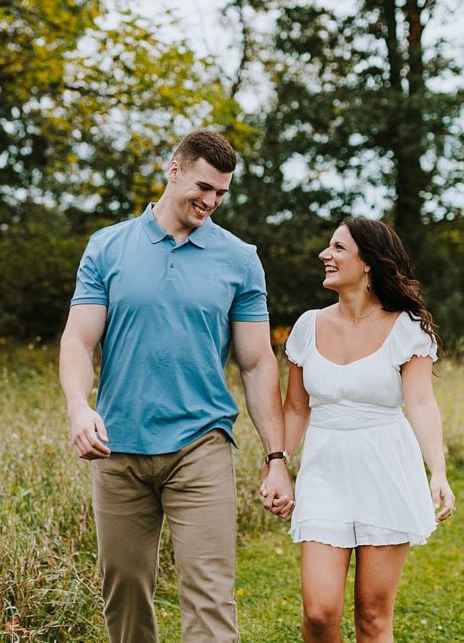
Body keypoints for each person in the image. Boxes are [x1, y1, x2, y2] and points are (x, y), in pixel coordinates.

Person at [58, 129, 295, 643]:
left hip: (201, 445)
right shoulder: (108, 247)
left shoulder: (239, 259)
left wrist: (276, 457)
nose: (210, 202)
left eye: (221, 194)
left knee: (210, 593)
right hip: (118, 446)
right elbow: (77, 342)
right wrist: (79, 408)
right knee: (123, 592)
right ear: (175, 169)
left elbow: (257, 364)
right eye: (204, 187)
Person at [274, 217, 455, 643]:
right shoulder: (307, 326)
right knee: (319, 613)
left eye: (338, 248)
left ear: (369, 263)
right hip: (324, 471)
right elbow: (296, 408)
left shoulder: (408, 328)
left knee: (373, 617)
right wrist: (277, 463)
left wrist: (439, 472)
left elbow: (422, 403)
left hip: (386, 470)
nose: (325, 254)